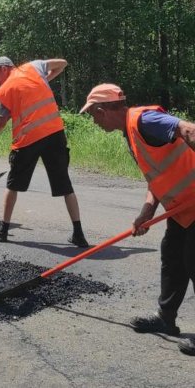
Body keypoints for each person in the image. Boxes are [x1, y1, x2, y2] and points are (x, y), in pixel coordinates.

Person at [81, 83, 195, 356]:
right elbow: (155, 176)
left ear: (102, 110)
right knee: (173, 257)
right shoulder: (131, 133)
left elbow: (189, 129)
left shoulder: (144, 119)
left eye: (93, 115)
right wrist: (146, 212)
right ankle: (166, 318)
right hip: (181, 210)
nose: (94, 121)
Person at [0, 56, 88, 247]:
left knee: (13, 185)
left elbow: (1, 121)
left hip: (28, 140)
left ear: (4, 68)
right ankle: (78, 234)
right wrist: (45, 79)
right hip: (54, 134)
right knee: (65, 185)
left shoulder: (7, 90)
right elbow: (63, 63)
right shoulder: (35, 68)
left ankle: (3, 231)